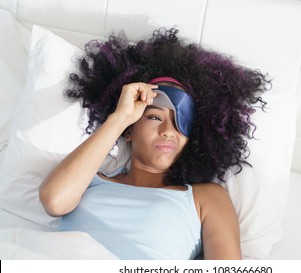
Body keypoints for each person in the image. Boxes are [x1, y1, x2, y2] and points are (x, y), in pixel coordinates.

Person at [39, 28, 270, 260]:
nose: (168, 132)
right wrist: (120, 118)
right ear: (130, 131)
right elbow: (54, 201)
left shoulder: (206, 198)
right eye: (155, 117)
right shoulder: (88, 181)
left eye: (181, 123)